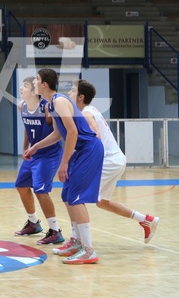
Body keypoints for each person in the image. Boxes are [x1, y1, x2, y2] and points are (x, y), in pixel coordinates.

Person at [62, 79, 160, 249]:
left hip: (108, 160)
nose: (68, 93)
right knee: (102, 202)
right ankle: (145, 220)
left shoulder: (85, 113)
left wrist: (77, 147)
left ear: (80, 96)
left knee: (74, 195)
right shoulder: (87, 111)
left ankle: (77, 241)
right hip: (115, 159)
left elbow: (96, 136)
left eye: (72, 90)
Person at [24, 68, 104, 265]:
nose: (34, 81)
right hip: (81, 151)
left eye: (37, 79)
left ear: (44, 84)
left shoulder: (59, 101)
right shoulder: (52, 104)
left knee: (76, 198)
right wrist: (35, 146)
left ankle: (89, 251)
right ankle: (76, 243)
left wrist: (64, 162)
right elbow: (58, 134)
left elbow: (73, 133)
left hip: (88, 149)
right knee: (67, 196)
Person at [14, 76, 64, 245]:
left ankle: (55, 231)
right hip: (33, 153)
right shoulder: (22, 106)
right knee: (21, 185)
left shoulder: (48, 108)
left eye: (25, 85)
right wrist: (25, 148)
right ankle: (33, 222)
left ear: (35, 91)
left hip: (49, 154)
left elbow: (57, 133)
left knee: (40, 190)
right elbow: (28, 129)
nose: (21, 88)